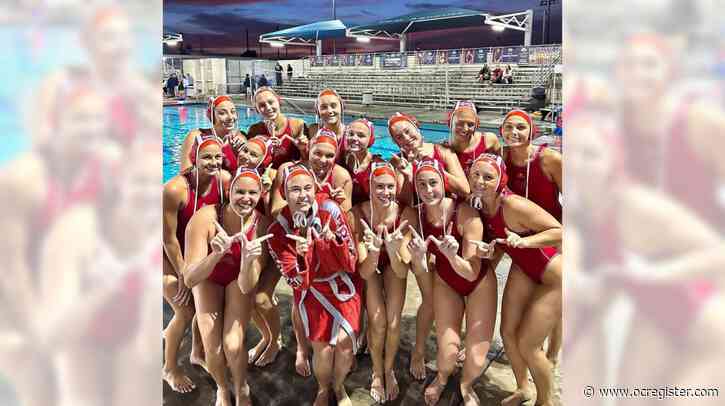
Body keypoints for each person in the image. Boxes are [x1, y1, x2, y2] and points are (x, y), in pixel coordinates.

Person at [400, 159, 497, 406]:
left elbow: (471, 273)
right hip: (446, 282)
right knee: (448, 355)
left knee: (475, 361)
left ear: (443, 183)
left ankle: (465, 385)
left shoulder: (464, 213)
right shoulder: (416, 216)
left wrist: (452, 256)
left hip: (477, 281)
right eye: (421, 184)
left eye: (433, 183)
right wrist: (420, 257)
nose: (428, 189)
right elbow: (418, 269)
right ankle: (442, 379)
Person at [469, 154, 562, 406]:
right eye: (476, 174)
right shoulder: (479, 205)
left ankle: (546, 402)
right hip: (525, 268)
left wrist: (526, 242)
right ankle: (523, 388)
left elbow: (560, 231)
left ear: (501, 179)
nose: (480, 181)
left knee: (528, 344)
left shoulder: (513, 205)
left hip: (555, 276)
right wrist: (491, 252)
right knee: (507, 332)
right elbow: (499, 241)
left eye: (488, 177)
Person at [267, 164, 360, 406]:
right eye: (294, 189)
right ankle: (323, 388)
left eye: (308, 188)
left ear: (315, 188)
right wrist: (302, 256)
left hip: (342, 284)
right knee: (323, 350)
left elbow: (351, 262)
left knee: (345, 346)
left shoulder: (330, 210)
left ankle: (339, 387)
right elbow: (297, 282)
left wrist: (333, 241)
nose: (302, 195)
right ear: (284, 194)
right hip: (312, 292)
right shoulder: (278, 231)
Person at [183, 168, 273, 406]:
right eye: (239, 191)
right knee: (213, 349)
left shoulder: (261, 226)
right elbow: (190, 279)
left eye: (252, 193)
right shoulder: (205, 219)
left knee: (233, 345)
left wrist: (247, 260)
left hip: (238, 280)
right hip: (208, 277)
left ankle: (242, 386)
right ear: (228, 191)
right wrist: (215, 255)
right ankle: (222, 388)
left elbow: (246, 286)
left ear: (261, 194)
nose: (246, 198)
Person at [163, 134, 231, 392]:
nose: (213, 162)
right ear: (194, 158)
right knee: (185, 310)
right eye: (207, 157)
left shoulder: (224, 182)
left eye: (218, 157)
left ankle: (196, 352)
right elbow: (168, 239)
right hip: (167, 257)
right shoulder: (174, 190)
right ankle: (169, 367)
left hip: (195, 253)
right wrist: (183, 273)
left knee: (200, 300)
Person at [352, 162, 409, 402]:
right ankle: (376, 371)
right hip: (371, 268)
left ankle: (389, 370)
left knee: (394, 322)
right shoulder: (358, 214)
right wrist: (374, 251)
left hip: (394, 265)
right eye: (379, 187)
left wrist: (394, 249)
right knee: (378, 322)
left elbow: (402, 270)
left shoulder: (406, 214)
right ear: (369, 186)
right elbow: (364, 272)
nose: (385, 192)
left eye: (390, 187)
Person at [387, 112, 470, 206]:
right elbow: (404, 205)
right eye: (399, 137)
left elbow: (464, 190)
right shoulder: (396, 162)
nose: (406, 138)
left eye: (407, 131)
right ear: (395, 142)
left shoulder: (443, 151)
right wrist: (407, 177)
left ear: (417, 128)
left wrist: (432, 164)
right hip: (417, 216)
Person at [179, 95, 246, 173]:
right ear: (212, 117)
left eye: (233, 112)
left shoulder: (239, 138)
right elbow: (185, 174)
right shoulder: (196, 136)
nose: (230, 117)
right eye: (222, 113)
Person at [246, 87, 307, 168]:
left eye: (271, 102)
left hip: (289, 176)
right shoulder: (255, 130)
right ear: (257, 110)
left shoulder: (298, 125)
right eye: (262, 105)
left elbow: (307, 161)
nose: (268, 107)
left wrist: (303, 149)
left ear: (278, 101)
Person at [341, 118, 391, 206]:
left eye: (361, 135)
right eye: (351, 134)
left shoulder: (378, 164)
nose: (354, 138)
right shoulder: (343, 158)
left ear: (370, 140)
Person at [447, 101, 501, 173]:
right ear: (450, 122)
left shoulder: (489, 141)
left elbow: (501, 168)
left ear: (477, 125)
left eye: (470, 124)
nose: (465, 129)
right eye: (459, 123)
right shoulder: (443, 150)